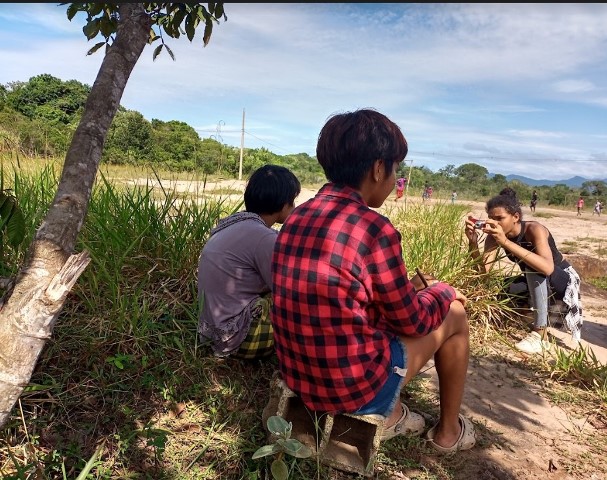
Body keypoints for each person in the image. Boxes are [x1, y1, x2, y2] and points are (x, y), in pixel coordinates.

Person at [271, 109, 475, 453]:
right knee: (453, 314)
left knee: (405, 312)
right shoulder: (375, 230)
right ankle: (448, 434)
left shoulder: (297, 216)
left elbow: (348, 298)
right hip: (351, 389)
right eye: (395, 169)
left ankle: (394, 413)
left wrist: (410, 290)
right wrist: (442, 291)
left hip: (300, 377)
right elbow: (413, 321)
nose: (395, 178)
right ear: (378, 168)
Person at [198, 164, 301, 360]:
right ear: (282, 203)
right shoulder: (264, 238)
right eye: (292, 201)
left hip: (211, 333)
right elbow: (284, 289)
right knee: (301, 306)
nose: (294, 207)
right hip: (236, 337)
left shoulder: (234, 223)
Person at [465, 189, 583, 355]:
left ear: (516, 217)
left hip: (562, 282)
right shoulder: (495, 236)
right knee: (500, 288)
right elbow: (483, 274)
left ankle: (540, 335)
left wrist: (505, 242)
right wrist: (473, 244)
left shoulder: (534, 229)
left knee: (532, 266)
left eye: (500, 218)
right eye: (491, 218)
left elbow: (547, 268)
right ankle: (527, 314)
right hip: (536, 282)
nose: (494, 223)